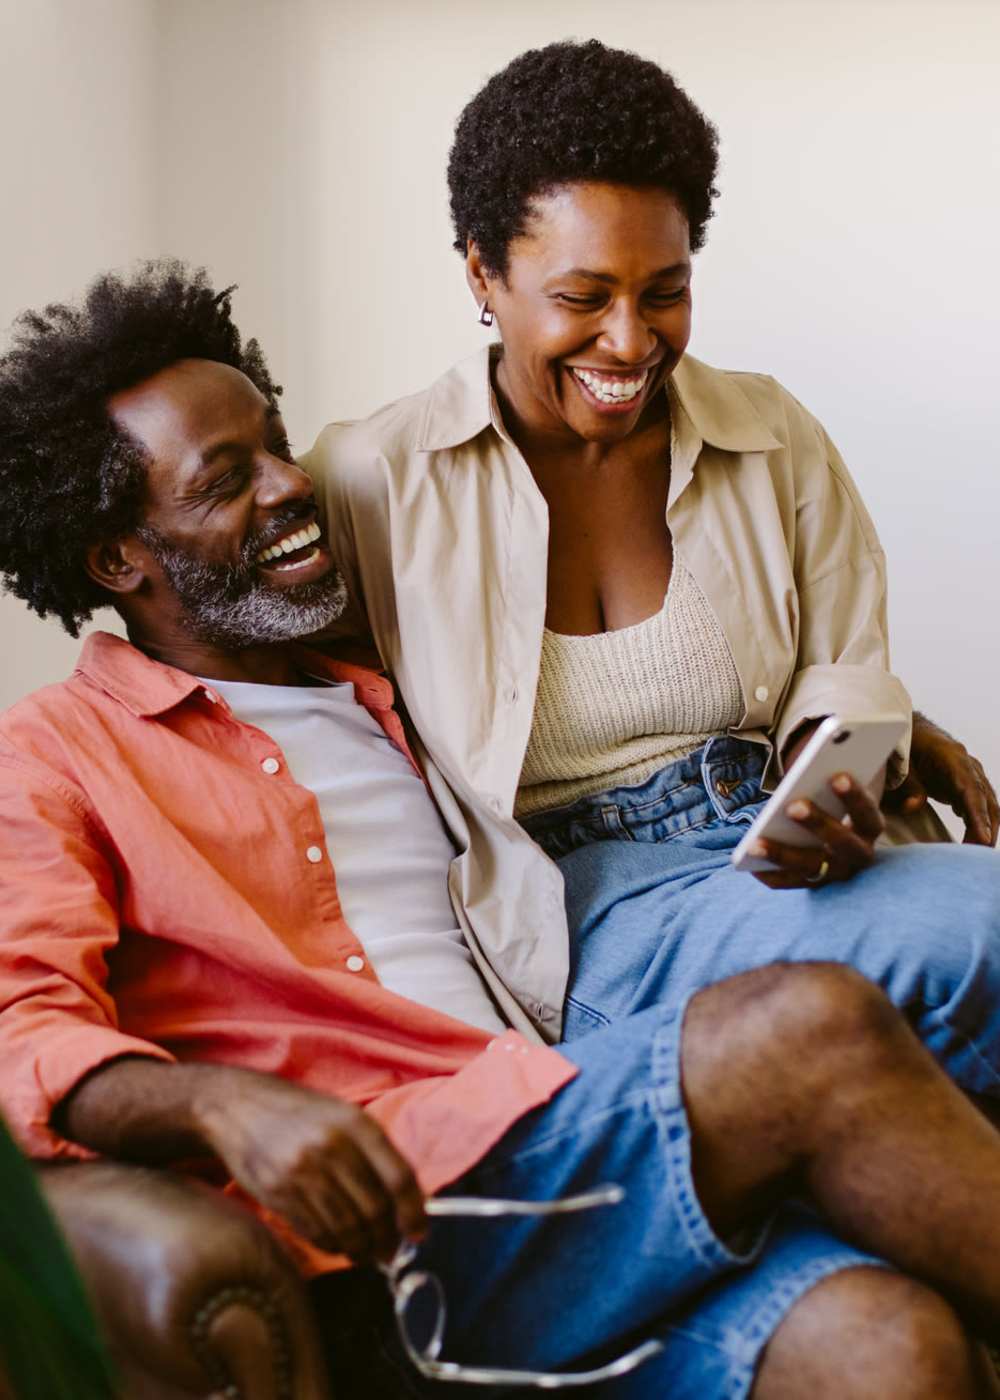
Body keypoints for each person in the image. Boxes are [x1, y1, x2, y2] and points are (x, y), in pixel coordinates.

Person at [3, 268, 1000, 1399]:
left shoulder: (389, 678)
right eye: (227, 480)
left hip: (545, 1129)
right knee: (802, 1028)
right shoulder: (52, 757)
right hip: (392, 1215)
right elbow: (17, 1033)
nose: (291, 484)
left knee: (886, 1340)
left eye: (276, 444)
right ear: (116, 559)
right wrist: (220, 1101)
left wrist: (875, 721)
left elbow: (604, 696)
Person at [304, 36, 1000, 1039]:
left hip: (780, 850)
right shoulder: (375, 480)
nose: (630, 341)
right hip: (585, 908)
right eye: (582, 298)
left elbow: (842, 664)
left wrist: (831, 765)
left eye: (664, 290)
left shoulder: (768, 434)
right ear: (482, 275)